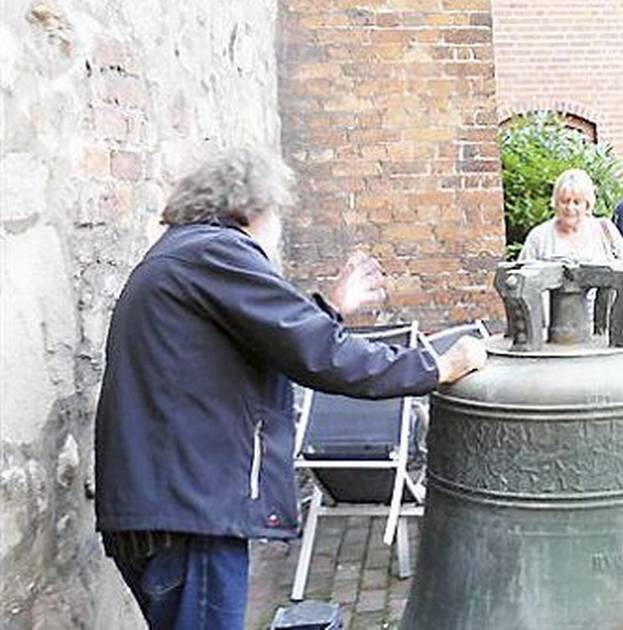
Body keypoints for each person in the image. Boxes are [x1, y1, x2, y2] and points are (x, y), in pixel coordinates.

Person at [93, 148, 486, 630]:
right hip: (188, 517)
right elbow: (320, 353)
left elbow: (272, 337)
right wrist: (436, 366)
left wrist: (330, 309)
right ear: (252, 207)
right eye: (276, 210)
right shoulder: (215, 253)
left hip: (166, 508)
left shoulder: (185, 255)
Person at [518, 168, 623, 263]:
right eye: (564, 201)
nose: (569, 208)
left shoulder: (606, 231)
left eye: (576, 202)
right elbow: (522, 282)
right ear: (555, 203)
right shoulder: (539, 237)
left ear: (587, 204)